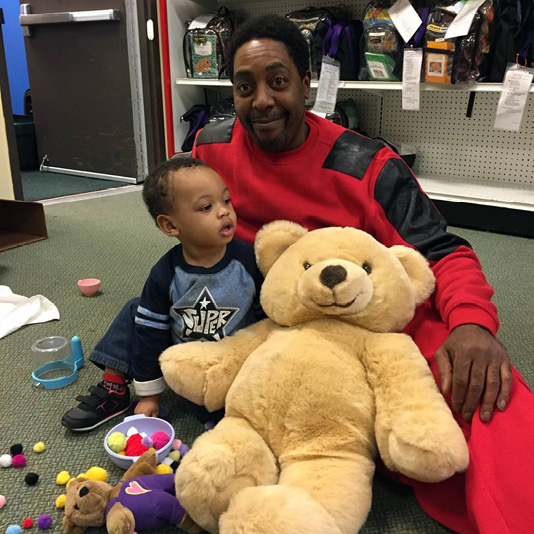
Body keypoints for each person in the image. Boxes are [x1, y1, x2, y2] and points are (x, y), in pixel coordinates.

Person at [189, 14, 533, 534]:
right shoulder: (209, 147)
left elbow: (441, 249)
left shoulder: (369, 164)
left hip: (371, 316)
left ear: (307, 84)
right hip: (277, 313)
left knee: (485, 390)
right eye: (244, 86)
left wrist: (471, 325)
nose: (261, 100)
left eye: (278, 82)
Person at [61, 158, 264, 432]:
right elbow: (150, 336)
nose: (223, 212)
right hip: (181, 363)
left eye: (226, 201)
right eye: (207, 207)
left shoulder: (249, 260)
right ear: (170, 226)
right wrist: (148, 394)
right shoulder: (165, 273)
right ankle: (115, 385)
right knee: (139, 313)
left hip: (232, 364)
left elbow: (269, 320)